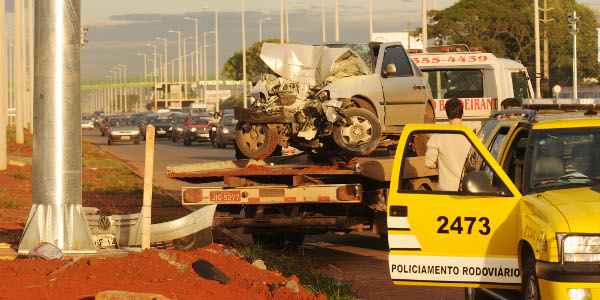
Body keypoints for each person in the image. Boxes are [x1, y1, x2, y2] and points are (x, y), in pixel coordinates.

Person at [425, 98, 471, 191]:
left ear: (447, 114)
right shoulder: (470, 135)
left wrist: (440, 164)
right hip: (468, 189)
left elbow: (429, 163)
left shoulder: (438, 135)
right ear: (462, 112)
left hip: (446, 190)